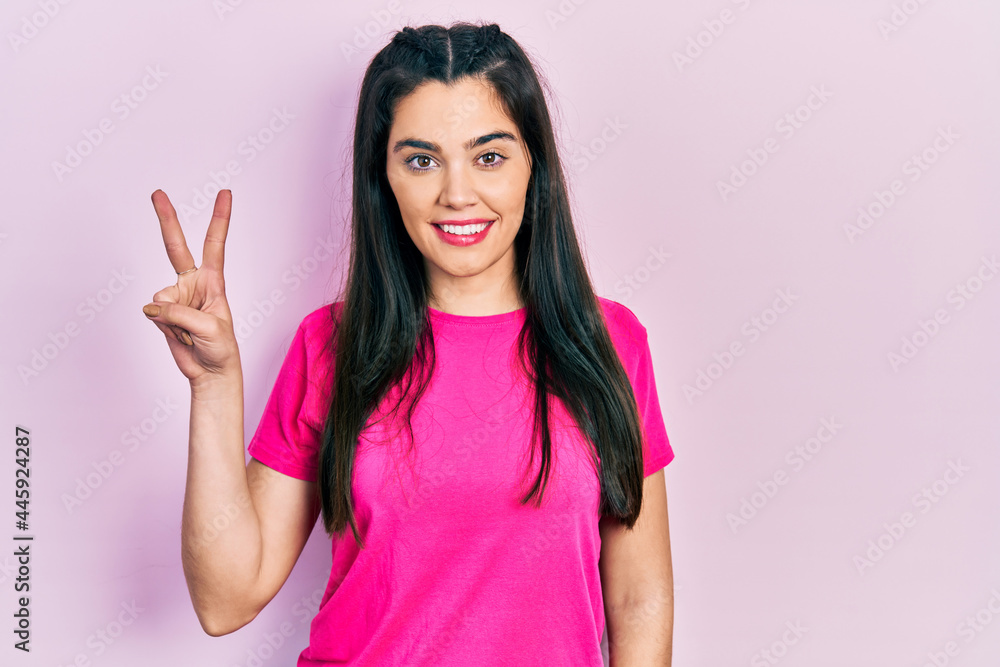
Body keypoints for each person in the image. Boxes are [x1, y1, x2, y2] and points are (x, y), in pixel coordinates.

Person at [142, 21, 675, 666]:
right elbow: (226, 599)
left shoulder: (610, 344)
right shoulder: (332, 346)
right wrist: (214, 386)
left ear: (535, 164)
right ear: (385, 177)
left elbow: (639, 596)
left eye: (489, 156)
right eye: (421, 160)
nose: (457, 194)